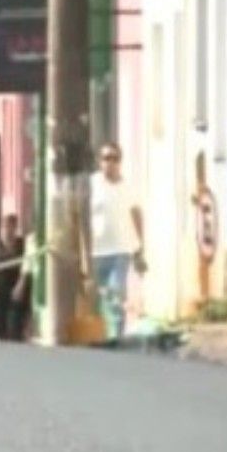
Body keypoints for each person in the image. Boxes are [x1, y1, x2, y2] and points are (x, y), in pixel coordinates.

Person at [91, 141, 145, 340]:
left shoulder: (127, 187)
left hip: (120, 251)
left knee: (116, 295)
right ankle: (99, 336)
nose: (111, 163)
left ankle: (116, 337)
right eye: (106, 158)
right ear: (99, 161)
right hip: (95, 252)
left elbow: (136, 214)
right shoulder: (93, 184)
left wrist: (140, 248)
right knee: (96, 298)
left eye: (115, 158)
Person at [0, 212, 31, 341]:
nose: (7, 231)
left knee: (14, 329)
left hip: (16, 293)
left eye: (10, 227)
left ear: (15, 228)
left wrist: (21, 284)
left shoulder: (22, 246)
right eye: (4, 227)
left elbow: (28, 267)